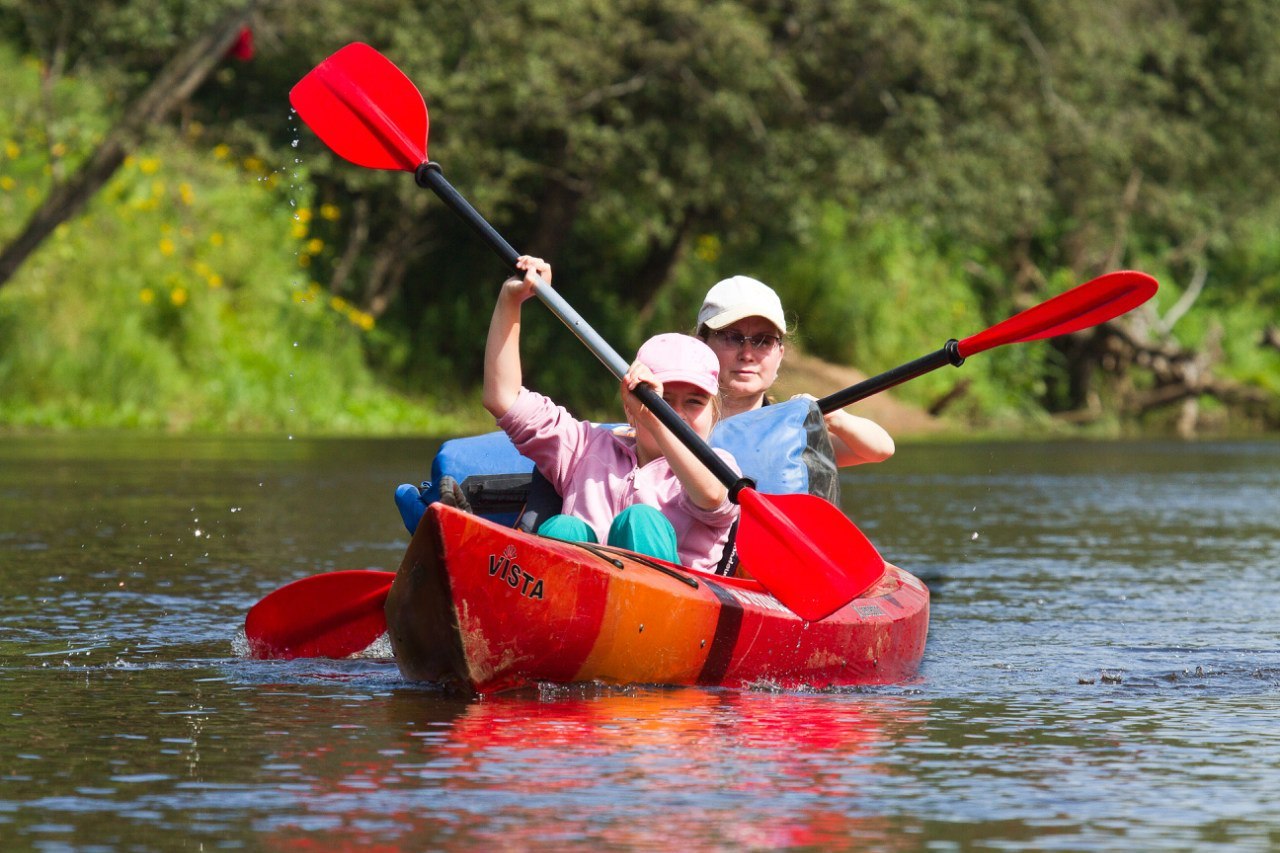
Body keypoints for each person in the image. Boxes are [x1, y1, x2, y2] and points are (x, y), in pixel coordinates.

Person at [484, 256, 740, 573]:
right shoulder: (584, 446)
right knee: (563, 529)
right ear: (631, 406)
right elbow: (502, 398)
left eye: (694, 402)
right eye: (665, 400)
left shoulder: (719, 468)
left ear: (713, 412)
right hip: (576, 600)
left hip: (665, 610)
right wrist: (511, 299)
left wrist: (657, 423)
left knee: (640, 520)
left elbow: (713, 496)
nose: (677, 414)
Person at [696, 275, 895, 467]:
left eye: (763, 341)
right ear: (700, 345)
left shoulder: (792, 436)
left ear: (779, 356)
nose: (747, 354)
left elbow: (881, 449)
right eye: (731, 337)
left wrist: (834, 417)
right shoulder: (676, 422)